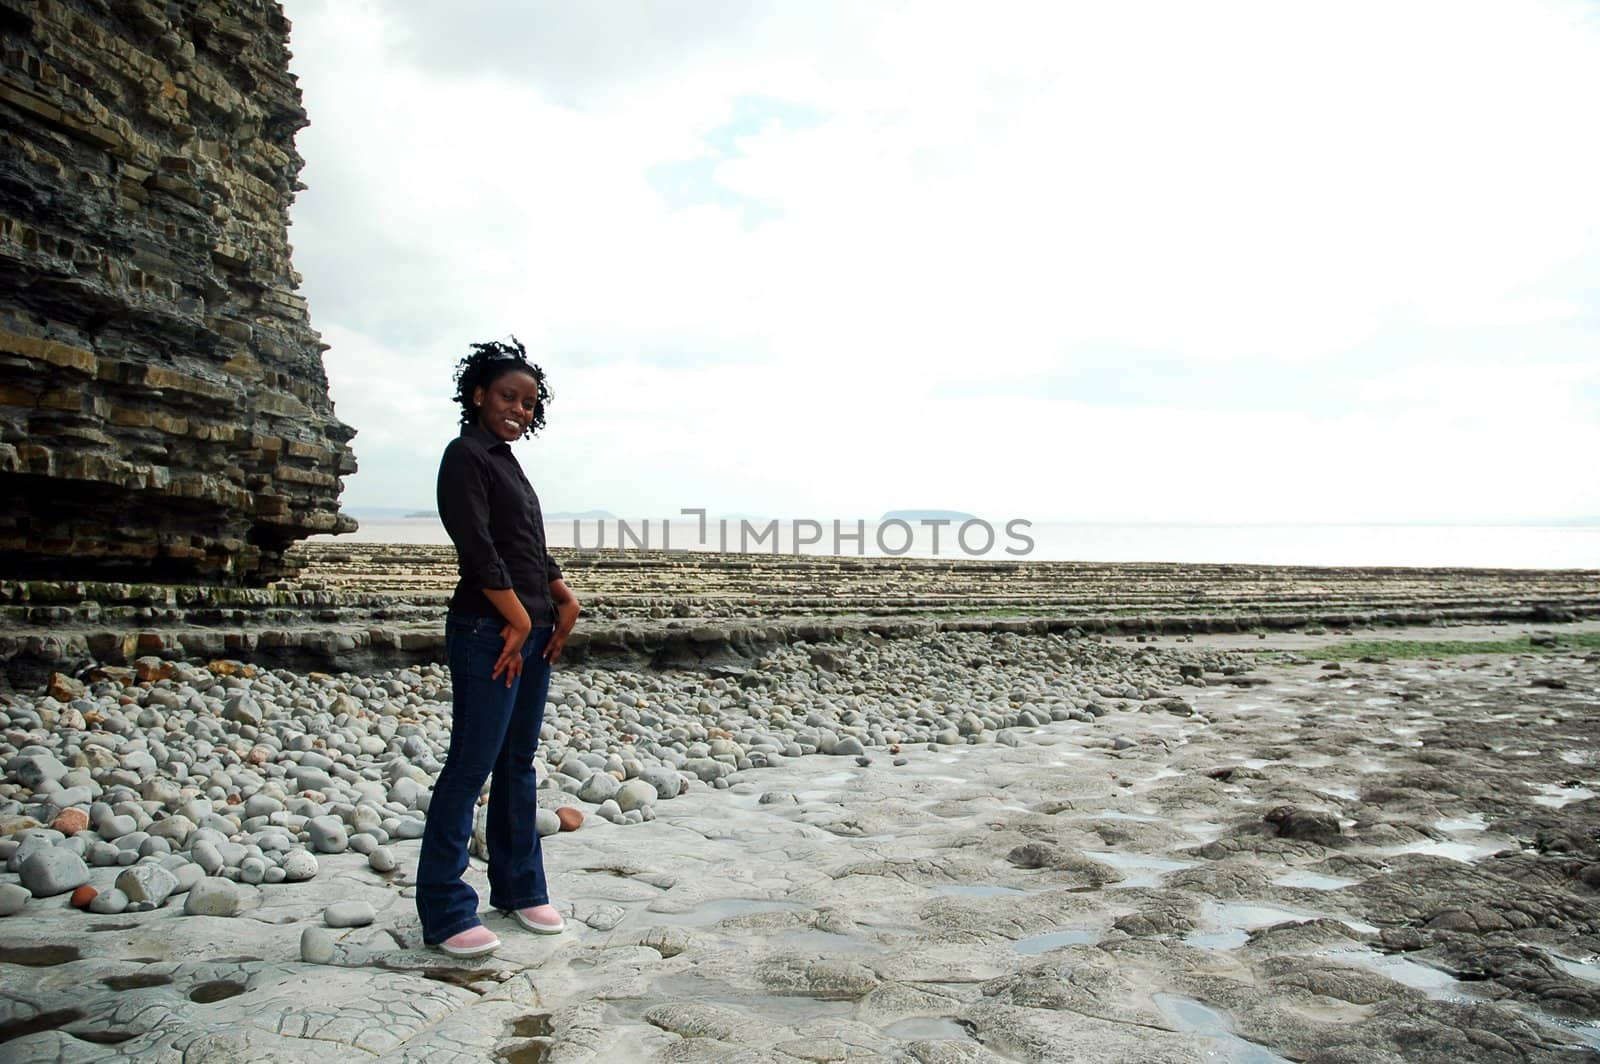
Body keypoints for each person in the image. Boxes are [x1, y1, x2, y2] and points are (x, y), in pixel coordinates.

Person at [415, 336, 581, 958]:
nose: (519, 409)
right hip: (488, 631)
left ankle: (517, 887)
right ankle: (445, 909)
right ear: (479, 394)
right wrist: (514, 618)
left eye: (530, 402)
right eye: (508, 396)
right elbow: (478, 547)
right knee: (470, 766)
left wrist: (563, 598)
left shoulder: (508, 461)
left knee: (517, 764)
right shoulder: (465, 455)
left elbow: (527, 542)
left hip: (530, 633)